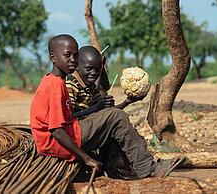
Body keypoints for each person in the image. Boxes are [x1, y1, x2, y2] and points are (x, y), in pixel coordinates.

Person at [30, 35, 175, 179]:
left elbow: (100, 97)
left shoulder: (57, 81)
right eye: (67, 55)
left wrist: (126, 101)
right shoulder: (56, 85)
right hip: (55, 142)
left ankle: (124, 167)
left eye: (75, 55)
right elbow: (57, 130)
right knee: (116, 117)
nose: (72, 60)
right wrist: (86, 157)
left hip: (67, 133)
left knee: (112, 117)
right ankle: (148, 169)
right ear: (52, 57)